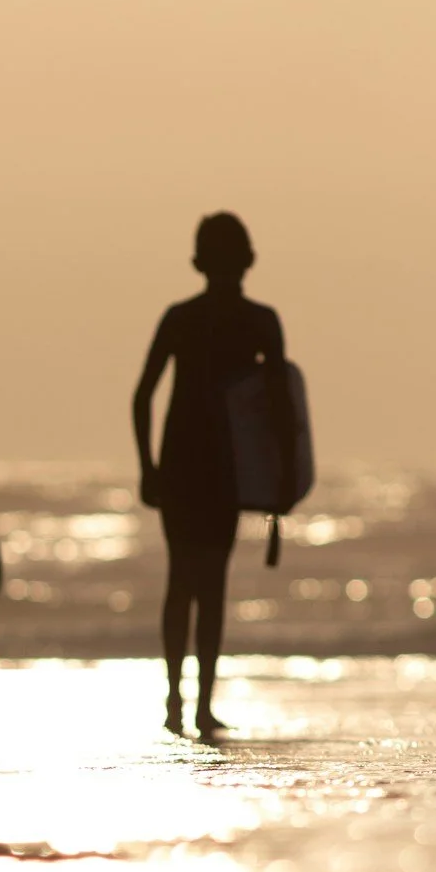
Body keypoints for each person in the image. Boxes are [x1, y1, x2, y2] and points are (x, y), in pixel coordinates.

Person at [132, 213, 291, 739]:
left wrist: (148, 467)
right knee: (212, 584)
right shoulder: (260, 322)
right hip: (225, 470)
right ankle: (200, 708)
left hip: (180, 466)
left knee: (182, 580)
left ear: (198, 262)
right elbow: (281, 409)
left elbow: (141, 396)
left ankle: (177, 703)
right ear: (248, 260)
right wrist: (283, 478)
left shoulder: (180, 318)